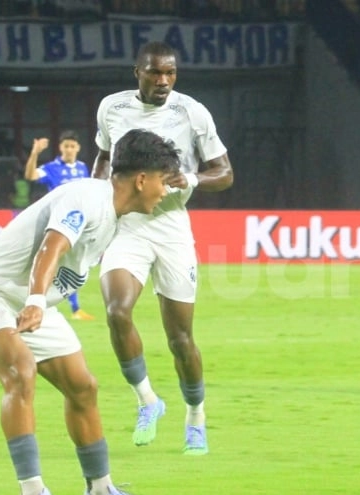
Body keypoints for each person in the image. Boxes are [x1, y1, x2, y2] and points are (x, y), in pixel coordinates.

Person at [0, 129, 180, 495]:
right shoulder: (88, 197)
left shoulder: (114, 217)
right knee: (20, 372)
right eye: (163, 179)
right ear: (142, 179)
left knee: (83, 385)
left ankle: (101, 491)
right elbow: (51, 247)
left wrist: (36, 302)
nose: (164, 190)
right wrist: (37, 301)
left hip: (28, 301)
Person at [92, 41, 234, 455]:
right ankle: (148, 402)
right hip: (127, 226)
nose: (164, 81)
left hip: (171, 226)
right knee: (117, 312)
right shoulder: (111, 108)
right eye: (155, 73)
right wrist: (99, 195)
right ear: (136, 71)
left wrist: (192, 179)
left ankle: (196, 416)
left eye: (170, 73)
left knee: (180, 339)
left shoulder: (192, 112)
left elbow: (224, 173)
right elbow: (103, 157)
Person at [24, 130, 95, 320]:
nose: (69, 150)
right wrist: (35, 153)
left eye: (72, 146)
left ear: (78, 148)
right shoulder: (51, 168)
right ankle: (66, 307)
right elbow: (30, 176)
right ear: (60, 148)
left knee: (70, 264)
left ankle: (65, 307)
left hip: (77, 223)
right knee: (57, 263)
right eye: (66, 146)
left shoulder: (83, 168)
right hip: (56, 222)